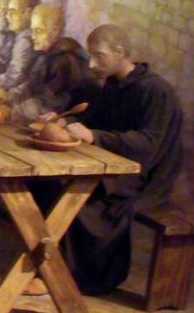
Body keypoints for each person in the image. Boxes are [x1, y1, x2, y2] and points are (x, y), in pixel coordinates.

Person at [60, 24, 183, 295]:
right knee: (51, 185)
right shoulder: (113, 85)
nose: (92, 64)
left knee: (78, 199)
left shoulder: (156, 91)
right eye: (90, 56)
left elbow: (149, 145)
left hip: (143, 176)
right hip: (115, 166)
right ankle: (53, 270)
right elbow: (97, 123)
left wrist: (94, 136)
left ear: (120, 52)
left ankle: (86, 278)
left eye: (99, 56)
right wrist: (65, 121)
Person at [11, 5, 98, 121]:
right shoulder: (44, 56)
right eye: (32, 31)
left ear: (55, 31)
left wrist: (15, 110)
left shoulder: (63, 60)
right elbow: (30, 85)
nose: (33, 37)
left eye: (39, 31)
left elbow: (50, 102)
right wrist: (10, 95)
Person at [0, 0, 40, 100]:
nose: (7, 17)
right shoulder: (18, 36)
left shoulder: (25, 41)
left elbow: (14, 76)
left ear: (28, 13)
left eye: (12, 12)